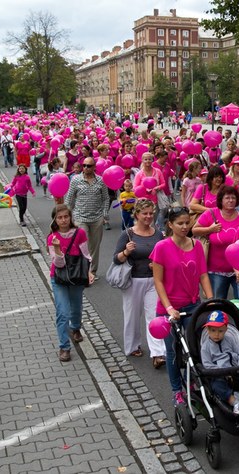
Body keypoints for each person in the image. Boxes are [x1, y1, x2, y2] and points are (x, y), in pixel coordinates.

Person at [150, 205, 214, 405]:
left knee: (196, 347)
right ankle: (177, 390)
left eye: (187, 222)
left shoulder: (196, 246)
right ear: (170, 225)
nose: (185, 226)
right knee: (172, 351)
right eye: (180, 223)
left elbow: (203, 276)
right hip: (170, 309)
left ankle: (195, 382)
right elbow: (158, 281)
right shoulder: (162, 247)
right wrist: (169, 308)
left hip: (193, 305)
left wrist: (210, 302)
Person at [112, 199, 165, 366]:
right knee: (132, 316)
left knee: (154, 316)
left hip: (153, 280)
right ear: (136, 215)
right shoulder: (127, 234)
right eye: (145, 213)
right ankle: (133, 346)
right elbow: (116, 259)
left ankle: (157, 353)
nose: (149, 216)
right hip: (133, 280)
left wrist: (157, 263)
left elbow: (162, 255)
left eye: (151, 213)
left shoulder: (157, 233)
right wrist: (126, 251)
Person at [47, 204, 95, 362]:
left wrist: (89, 272)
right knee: (63, 312)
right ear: (55, 219)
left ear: (70, 217)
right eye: (59, 217)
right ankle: (64, 346)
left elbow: (86, 255)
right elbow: (59, 264)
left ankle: (75, 328)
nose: (63, 220)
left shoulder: (80, 233)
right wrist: (57, 248)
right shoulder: (52, 238)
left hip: (76, 276)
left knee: (76, 307)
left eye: (66, 217)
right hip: (59, 278)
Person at [200, 310, 239, 414]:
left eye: (220, 331)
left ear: (226, 329)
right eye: (213, 330)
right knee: (216, 386)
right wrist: (222, 372)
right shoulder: (205, 347)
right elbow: (207, 365)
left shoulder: (230, 339)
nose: (216, 334)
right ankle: (235, 402)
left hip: (237, 371)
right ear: (207, 330)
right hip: (221, 375)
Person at [193, 186, 239, 300]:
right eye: (227, 198)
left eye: (233, 198)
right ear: (221, 200)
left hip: (238, 271)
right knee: (218, 303)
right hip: (216, 271)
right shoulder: (211, 213)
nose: (230, 200)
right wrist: (210, 229)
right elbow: (194, 230)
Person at [64, 156, 110, 276]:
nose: (85, 168)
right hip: (80, 218)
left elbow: (106, 198)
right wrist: (67, 217)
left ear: (94, 167)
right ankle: (82, 271)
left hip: (96, 219)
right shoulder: (75, 180)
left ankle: (92, 272)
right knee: (82, 245)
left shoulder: (100, 181)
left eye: (88, 166)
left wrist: (104, 214)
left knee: (94, 247)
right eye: (84, 165)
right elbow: (69, 199)